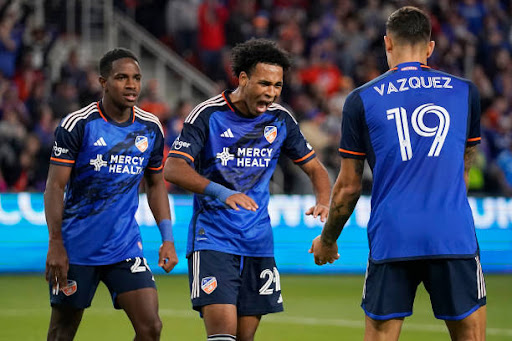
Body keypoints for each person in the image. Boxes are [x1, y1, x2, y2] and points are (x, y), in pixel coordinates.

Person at [310, 6, 486, 341]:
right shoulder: (466, 92)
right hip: (452, 234)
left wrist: (328, 240)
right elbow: (465, 165)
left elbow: (348, 189)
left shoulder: (361, 99)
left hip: (393, 235)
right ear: (430, 48)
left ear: (387, 43)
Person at [164, 38, 331, 341]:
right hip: (213, 239)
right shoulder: (208, 114)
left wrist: (323, 201)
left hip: (258, 242)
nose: (272, 92)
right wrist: (222, 193)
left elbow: (316, 169)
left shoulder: (280, 119)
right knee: (222, 337)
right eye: (265, 83)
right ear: (242, 79)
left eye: (278, 85)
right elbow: (173, 168)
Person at [44, 47, 178, 341]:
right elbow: (55, 186)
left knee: (151, 327)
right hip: (77, 247)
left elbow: (155, 185)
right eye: (121, 77)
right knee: (61, 332)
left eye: (136, 78)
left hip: (124, 246)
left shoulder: (150, 127)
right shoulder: (78, 125)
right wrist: (56, 244)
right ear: (103, 82)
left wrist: (167, 239)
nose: (131, 85)